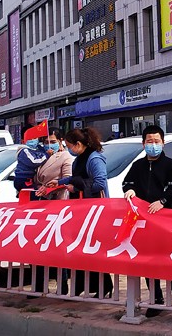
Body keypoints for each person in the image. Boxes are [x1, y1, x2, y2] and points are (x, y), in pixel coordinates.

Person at [122, 125, 172, 323]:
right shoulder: (137, 166)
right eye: (149, 141)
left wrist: (162, 201)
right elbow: (127, 183)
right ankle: (155, 299)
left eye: (156, 141)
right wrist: (130, 191)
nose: (153, 145)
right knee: (148, 262)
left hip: (166, 221)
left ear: (163, 142)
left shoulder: (170, 164)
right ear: (143, 144)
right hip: (144, 222)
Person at [48, 127, 112, 298]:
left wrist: (76, 188)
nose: (68, 149)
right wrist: (60, 182)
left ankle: (104, 286)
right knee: (79, 249)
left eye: (69, 146)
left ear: (78, 144)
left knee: (93, 249)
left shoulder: (94, 158)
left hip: (95, 210)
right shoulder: (79, 159)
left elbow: (99, 183)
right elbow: (75, 177)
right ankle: (81, 285)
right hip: (81, 209)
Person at [32, 127, 73, 201]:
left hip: (57, 198)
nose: (49, 145)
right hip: (40, 197)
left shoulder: (65, 156)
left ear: (60, 141)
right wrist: (39, 188)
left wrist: (49, 188)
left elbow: (67, 179)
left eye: (53, 142)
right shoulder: (40, 156)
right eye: (46, 142)